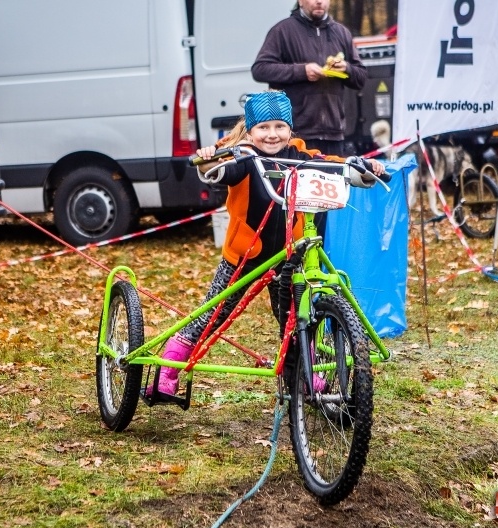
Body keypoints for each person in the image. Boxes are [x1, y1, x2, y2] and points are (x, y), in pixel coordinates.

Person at [146, 91, 383, 399]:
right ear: (251, 130)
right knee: (211, 315)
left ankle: (302, 375)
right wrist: (208, 160)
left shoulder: (298, 154)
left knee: (296, 318)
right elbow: (221, 169)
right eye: (264, 128)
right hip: (246, 255)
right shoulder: (242, 155)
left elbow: (329, 163)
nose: (272, 135)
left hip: (288, 255)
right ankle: (168, 371)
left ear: (290, 129)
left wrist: (359, 166)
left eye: (280, 127)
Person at [251, 0, 367, 156]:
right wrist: (302, 71)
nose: (319, 2)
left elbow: (361, 78)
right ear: (300, 1)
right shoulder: (283, 31)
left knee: (334, 179)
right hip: (296, 135)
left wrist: (346, 68)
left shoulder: (341, 32)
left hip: (334, 134)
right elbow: (260, 69)